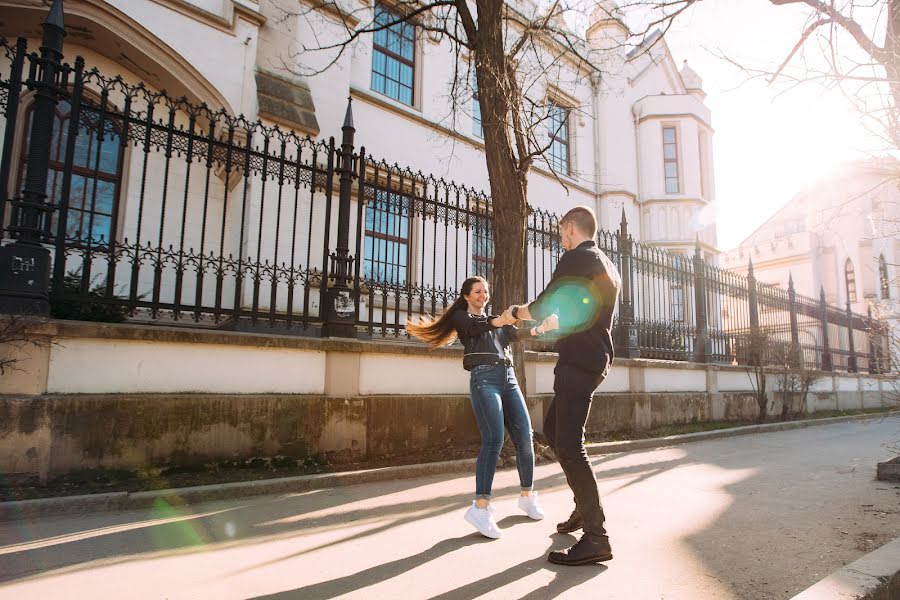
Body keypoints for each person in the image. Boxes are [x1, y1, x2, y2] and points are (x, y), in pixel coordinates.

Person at [407, 275, 559, 539]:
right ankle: (480, 507)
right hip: (484, 379)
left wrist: (540, 328)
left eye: (486, 292)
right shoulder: (463, 319)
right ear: (467, 296)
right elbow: (479, 327)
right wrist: (500, 319)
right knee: (493, 440)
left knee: (525, 437)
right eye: (478, 292)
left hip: (508, 379)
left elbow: (516, 334)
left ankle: (527, 496)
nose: (483, 295)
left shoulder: (493, 322)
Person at [510, 205, 621, 566]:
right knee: (556, 432)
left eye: (561, 232)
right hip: (589, 358)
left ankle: (596, 536)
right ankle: (582, 510)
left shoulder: (577, 257)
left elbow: (547, 303)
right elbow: (579, 310)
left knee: (570, 445)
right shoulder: (605, 263)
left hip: (580, 363)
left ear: (572, 229)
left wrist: (518, 313)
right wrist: (553, 328)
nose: (560, 239)